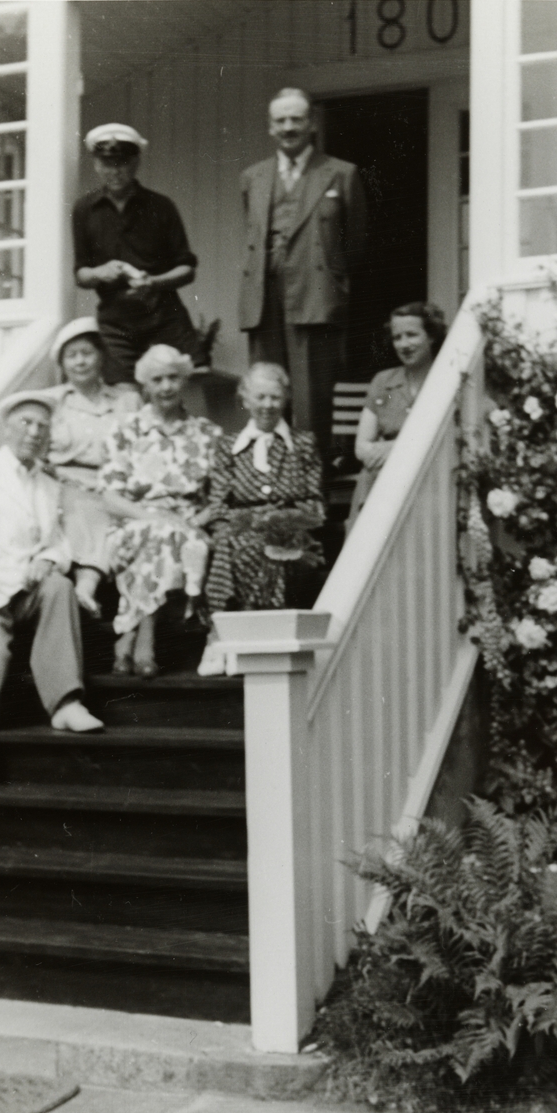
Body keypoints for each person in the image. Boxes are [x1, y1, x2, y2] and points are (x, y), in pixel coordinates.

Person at [0, 392, 104, 797]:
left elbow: (60, 543)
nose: (34, 432)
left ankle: (65, 703)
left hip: (24, 590)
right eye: (25, 423)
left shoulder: (47, 484)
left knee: (60, 585)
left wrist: (47, 560)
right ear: (7, 426)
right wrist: (21, 576)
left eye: (42, 426)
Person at [238, 89, 367, 457]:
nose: (288, 127)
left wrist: (330, 285)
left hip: (315, 298)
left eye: (296, 119)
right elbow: (254, 236)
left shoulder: (341, 174)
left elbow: (354, 245)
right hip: (264, 300)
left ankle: (313, 494)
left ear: (312, 124)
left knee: (312, 401)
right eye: (280, 120)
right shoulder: (253, 177)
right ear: (270, 126)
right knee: (265, 394)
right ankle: (268, 487)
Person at [99, 345, 222, 678]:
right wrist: (153, 518)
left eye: (172, 378)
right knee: (159, 533)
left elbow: (222, 496)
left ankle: (130, 636)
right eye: (158, 380)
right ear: (145, 386)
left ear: (183, 381)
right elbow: (111, 497)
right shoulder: (125, 430)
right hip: (133, 524)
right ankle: (145, 634)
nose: (166, 386)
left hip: (188, 525)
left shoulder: (207, 434)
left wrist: (193, 520)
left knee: (167, 535)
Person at [199, 363, 325, 675]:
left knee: (273, 544)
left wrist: (288, 518)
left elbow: (315, 503)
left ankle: (237, 637)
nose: (268, 405)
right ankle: (222, 636)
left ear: (286, 399)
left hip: (291, 524)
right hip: (240, 523)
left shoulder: (303, 443)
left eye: (275, 397)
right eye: (260, 397)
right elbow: (217, 504)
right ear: (245, 399)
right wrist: (232, 524)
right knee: (235, 541)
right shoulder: (228, 446)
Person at [73, 122, 199, 389]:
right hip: (116, 320)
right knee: (124, 394)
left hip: (164, 314)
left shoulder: (161, 206)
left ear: (136, 162)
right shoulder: (84, 209)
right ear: (96, 164)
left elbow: (187, 269)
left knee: (180, 386)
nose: (115, 171)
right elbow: (81, 273)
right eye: (107, 163)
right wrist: (99, 272)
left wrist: (153, 282)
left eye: (123, 162)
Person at [46, 317, 141, 619]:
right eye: (71, 355)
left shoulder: (127, 400)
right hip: (65, 483)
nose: (80, 361)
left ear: (101, 356)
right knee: (88, 510)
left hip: (117, 485)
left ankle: (97, 591)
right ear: (62, 363)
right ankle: (87, 585)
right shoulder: (53, 402)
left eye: (86, 353)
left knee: (118, 512)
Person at [345, 302, 446, 534]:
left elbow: (451, 437)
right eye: (397, 337)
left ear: (431, 337)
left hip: (431, 483)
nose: (404, 344)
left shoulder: (445, 379)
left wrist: (395, 448)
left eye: (412, 335)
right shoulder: (384, 382)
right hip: (381, 486)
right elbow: (361, 447)